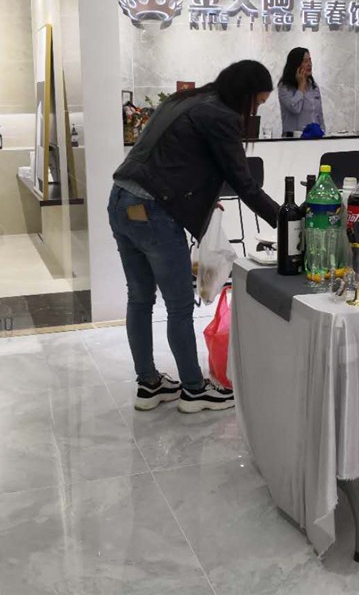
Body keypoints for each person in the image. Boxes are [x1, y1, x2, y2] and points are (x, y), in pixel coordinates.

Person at [111, 61, 279, 414]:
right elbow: (244, 183)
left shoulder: (184, 100)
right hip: (153, 211)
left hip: (121, 200)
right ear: (246, 94)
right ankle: (193, 389)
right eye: (258, 102)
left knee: (139, 299)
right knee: (179, 305)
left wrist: (199, 198)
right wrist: (286, 220)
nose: (255, 111)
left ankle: (149, 384)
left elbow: (174, 158)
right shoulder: (220, 115)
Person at [277, 47, 325, 136]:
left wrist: (323, 132)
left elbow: (319, 115)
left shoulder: (313, 86)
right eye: (305, 61)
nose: (309, 64)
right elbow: (295, 108)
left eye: (310, 60)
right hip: (294, 138)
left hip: (315, 137)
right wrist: (301, 86)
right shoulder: (285, 87)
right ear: (296, 65)